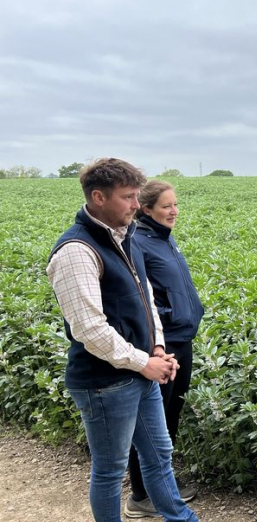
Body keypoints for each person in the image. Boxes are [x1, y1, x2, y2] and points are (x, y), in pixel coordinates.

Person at [47, 158, 199, 522]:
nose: (136, 205)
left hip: (141, 371)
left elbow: (145, 298)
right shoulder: (76, 251)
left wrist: (158, 348)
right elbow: (89, 329)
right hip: (104, 383)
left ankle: (182, 518)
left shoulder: (125, 237)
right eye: (128, 197)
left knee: (159, 454)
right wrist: (145, 361)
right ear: (98, 197)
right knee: (110, 469)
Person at [125, 180, 205, 518]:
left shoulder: (164, 241)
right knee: (151, 421)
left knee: (170, 415)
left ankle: (162, 484)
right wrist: (168, 324)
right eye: (166, 206)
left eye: (175, 205)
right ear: (146, 209)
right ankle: (141, 495)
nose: (173, 211)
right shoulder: (140, 243)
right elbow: (141, 297)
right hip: (164, 343)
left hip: (181, 339)